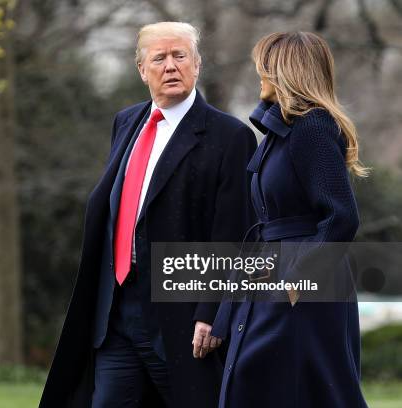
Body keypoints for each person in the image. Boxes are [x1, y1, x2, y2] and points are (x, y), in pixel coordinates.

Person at [39, 22, 256, 408]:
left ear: (197, 64)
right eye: (159, 58)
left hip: (182, 317)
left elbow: (231, 233)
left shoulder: (230, 136)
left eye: (180, 56)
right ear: (142, 69)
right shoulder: (126, 122)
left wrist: (210, 311)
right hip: (116, 311)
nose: (171, 66)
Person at [212, 32, 369, 407]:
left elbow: (342, 216)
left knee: (294, 389)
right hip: (269, 274)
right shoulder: (277, 135)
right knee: (253, 384)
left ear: (284, 70)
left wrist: (296, 281)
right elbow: (261, 228)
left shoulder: (313, 127)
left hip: (303, 288)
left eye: (263, 66)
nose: (258, 74)